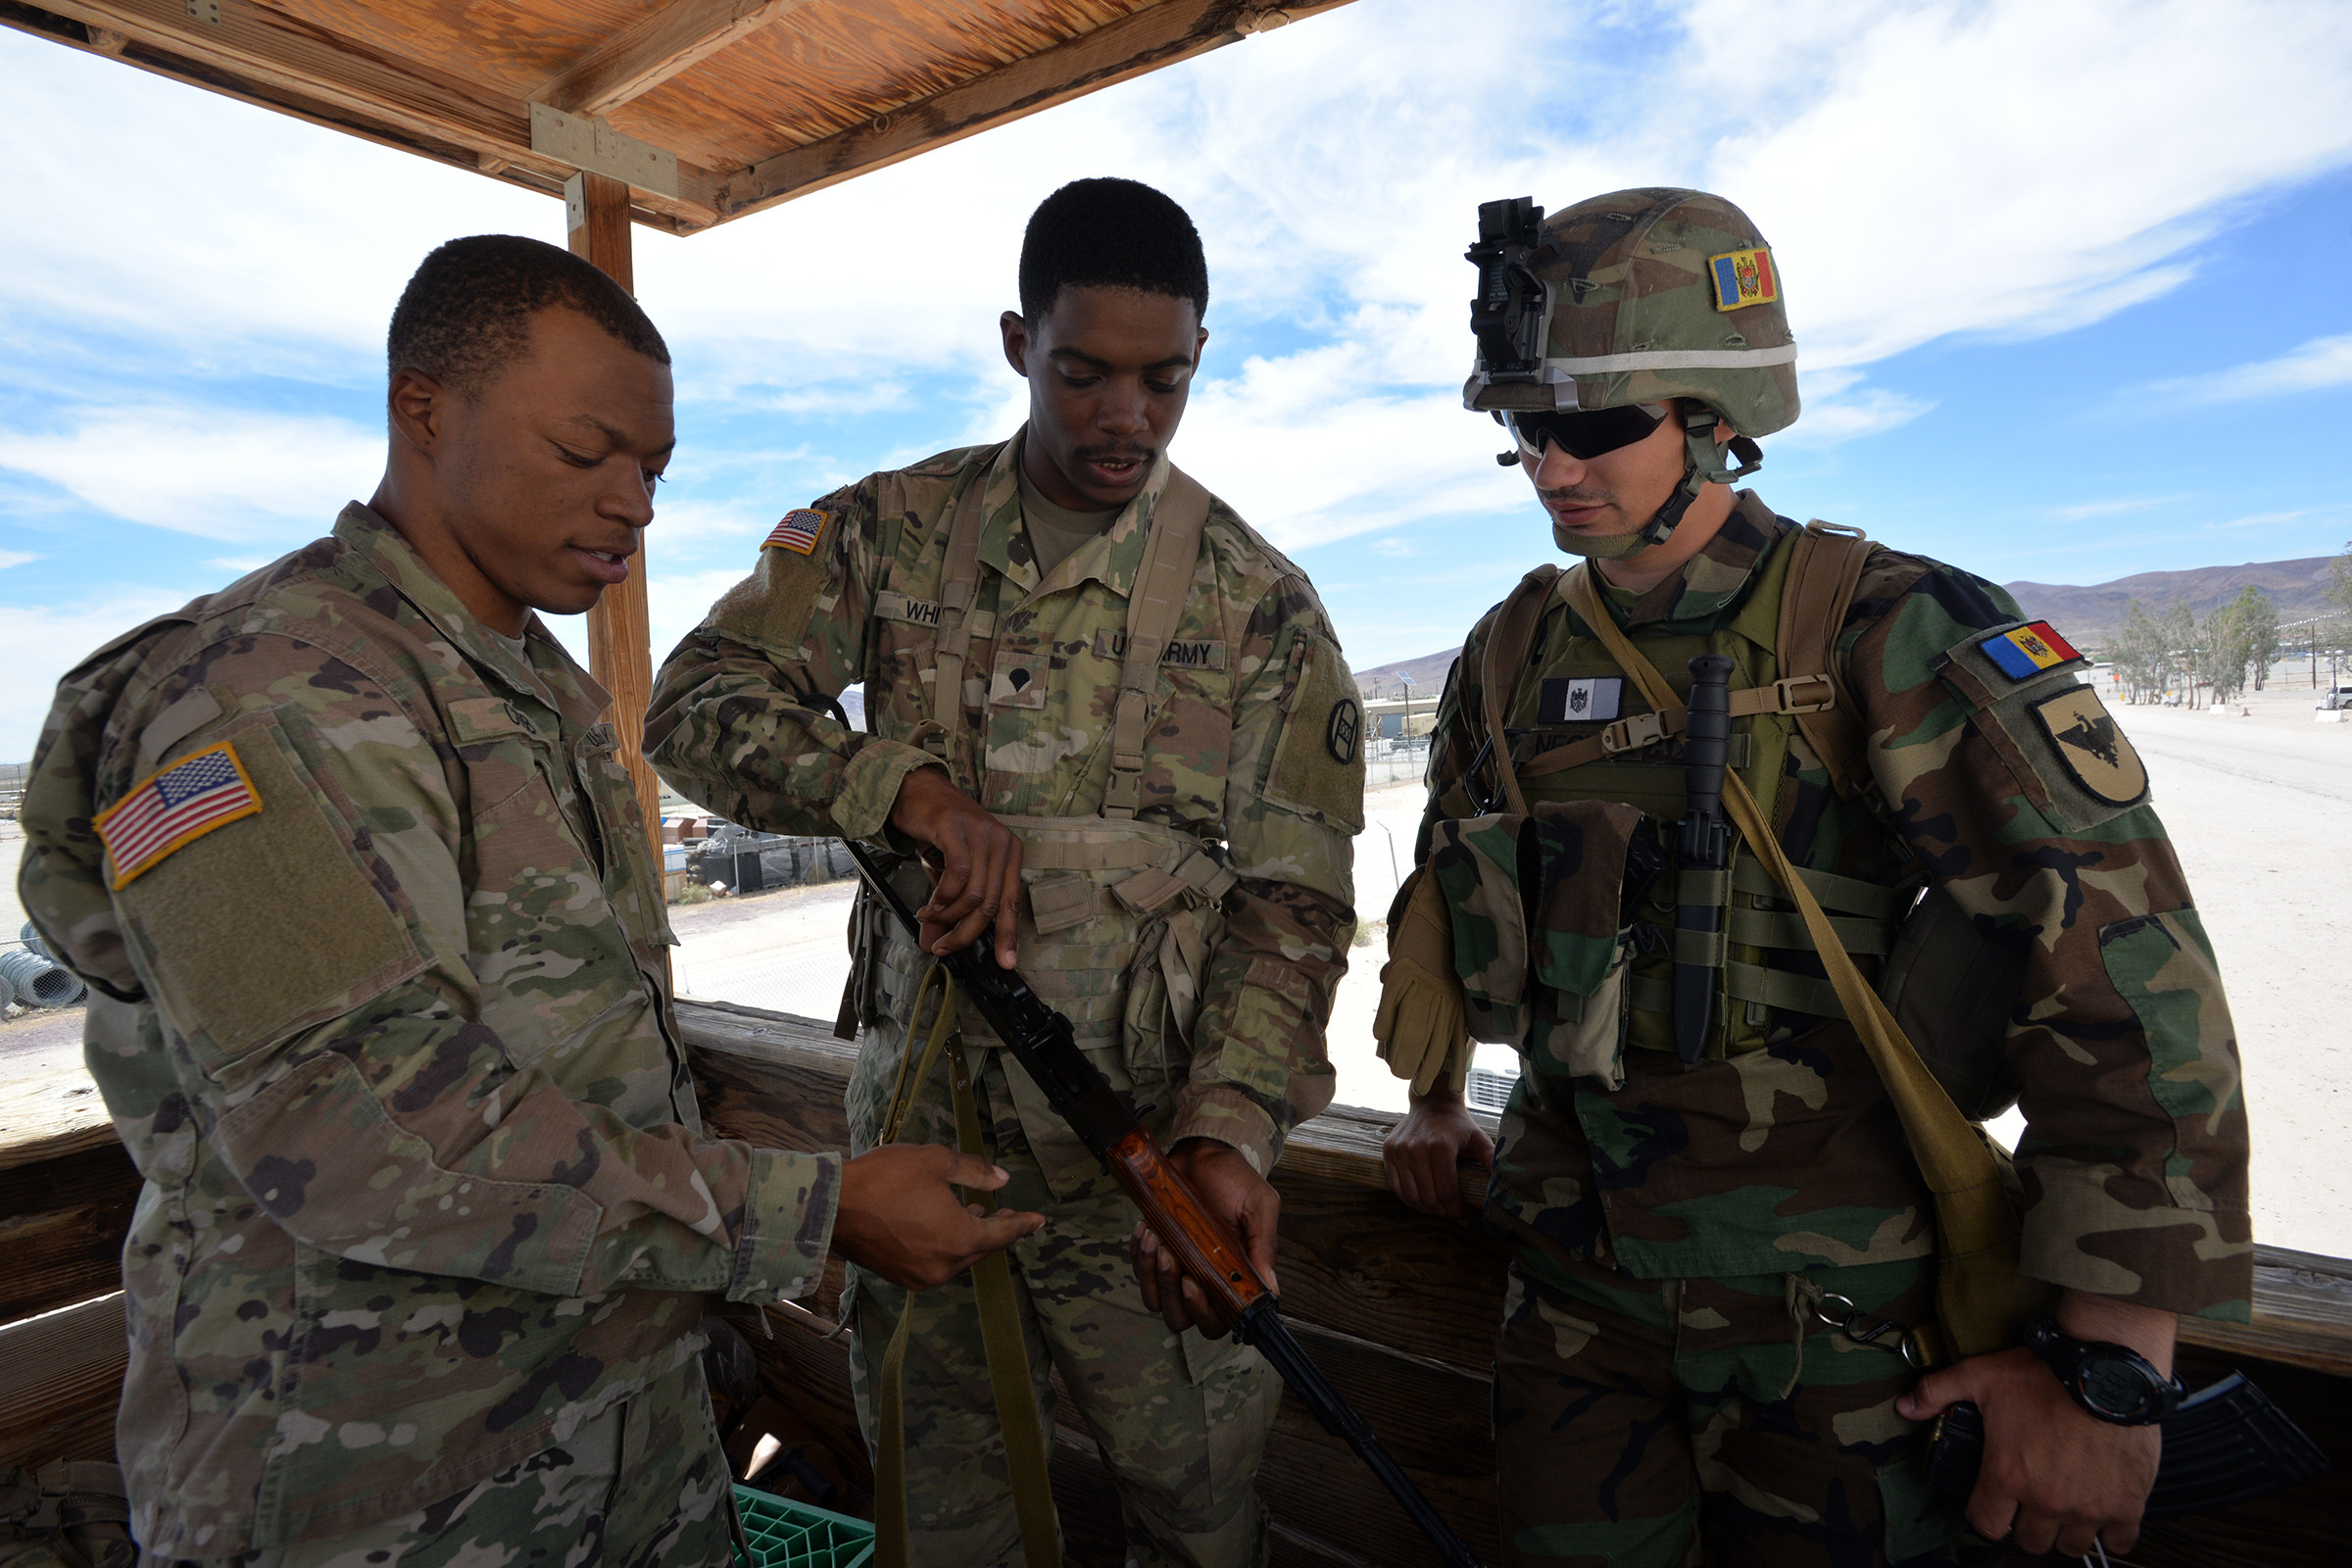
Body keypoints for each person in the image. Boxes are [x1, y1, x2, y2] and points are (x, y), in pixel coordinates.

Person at [16, 235, 1040, 1568]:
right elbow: (369, 1139)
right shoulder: (261, 694)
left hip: (614, 1442)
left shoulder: (536, 684)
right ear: (423, 406)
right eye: (585, 453)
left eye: (653, 470)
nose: (636, 505)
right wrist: (816, 1211)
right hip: (379, 1490)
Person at [1375, 188, 2251, 1567]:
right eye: (1524, 426)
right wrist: (1433, 1101)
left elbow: (2124, 971)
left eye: (1597, 425)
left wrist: (2111, 1367)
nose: (1551, 465)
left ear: (1717, 417)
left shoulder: (1889, 629)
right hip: (1572, 1301)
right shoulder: (1506, 656)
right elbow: (1454, 897)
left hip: (1838, 1337)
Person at [646, 176, 1364, 1568]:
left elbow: (1294, 907)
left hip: (1140, 1165)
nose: (1126, 418)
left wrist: (1227, 1133)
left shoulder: (1258, 604)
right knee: (943, 1502)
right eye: (1083, 372)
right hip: (931, 1135)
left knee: (1198, 1511)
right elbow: (691, 704)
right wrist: (898, 789)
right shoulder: (887, 532)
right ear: (1014, 343)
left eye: (1165, 381)